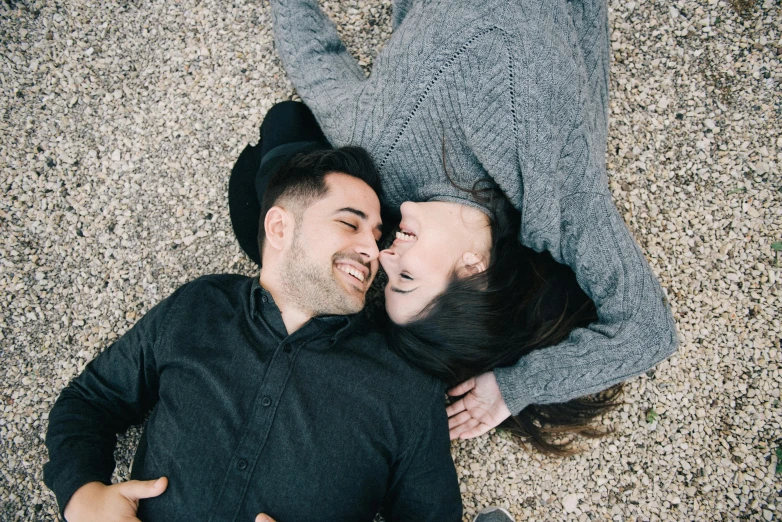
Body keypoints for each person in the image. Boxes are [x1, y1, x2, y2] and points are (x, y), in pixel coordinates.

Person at [257, 0, 679, 450]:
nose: (385, 254)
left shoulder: (374, 156)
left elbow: (312, 59)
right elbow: (648, 331)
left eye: (387, 274)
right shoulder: (555, 192)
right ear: (473, 269)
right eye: (407, 278)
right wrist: (513, 388)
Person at [43, 128, 462, 521]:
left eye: (376, 235)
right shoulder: (200, 307)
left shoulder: (405, 383)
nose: (373, 249)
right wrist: (81, 495)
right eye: (349, 223)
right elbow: (90, 399)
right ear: (280, 227)